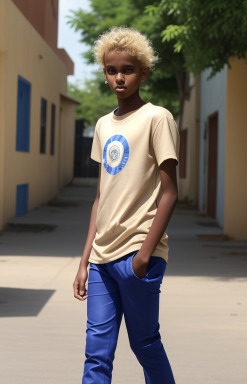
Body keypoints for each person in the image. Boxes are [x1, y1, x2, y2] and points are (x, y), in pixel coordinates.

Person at [73, 26, 180, 384]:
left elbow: (169, 192)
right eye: (111, 70)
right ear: (104, 72)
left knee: (145, 344)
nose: (119, 77)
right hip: (102, 259)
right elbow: (102, 196)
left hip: (138, 254)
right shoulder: (103, 125)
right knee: (96, 351)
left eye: (128, 70)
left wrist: (144, 256)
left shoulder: (157, 117)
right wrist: (85, 259)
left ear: (143, 72)